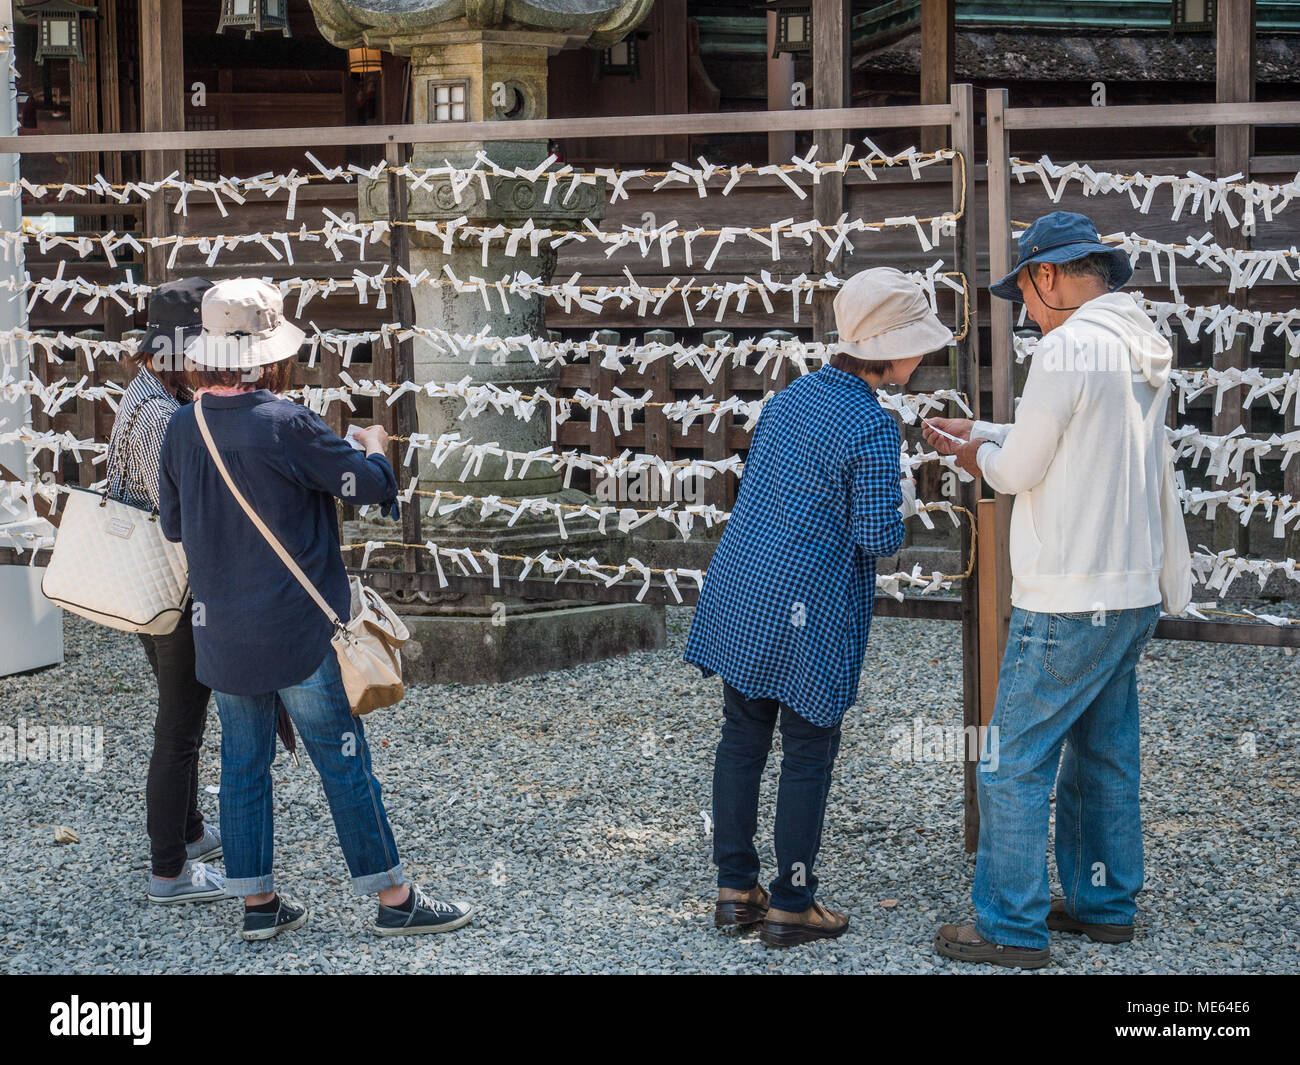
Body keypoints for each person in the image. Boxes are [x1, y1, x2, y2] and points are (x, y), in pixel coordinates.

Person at [158, 277, 474, 941]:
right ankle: (394, 897)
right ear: (269, 354)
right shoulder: (285, 421)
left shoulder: (183, 426)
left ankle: (258, 903)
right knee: (343, 760)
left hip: (223, 632)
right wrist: (372, 443)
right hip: (296, 631)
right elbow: (369, 487)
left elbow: (177, 526)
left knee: (241, 768)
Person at [925, 211, 1185, 969]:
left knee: (1011, 761)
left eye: (1026, 296)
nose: (1028, 315)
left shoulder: (1067, 347)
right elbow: (1070, 443)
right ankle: (1104, 904)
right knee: (1103, 752)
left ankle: (1009, 925)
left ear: (1047, 274)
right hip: (1132, 585)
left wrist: (980, 453)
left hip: (1069, 591)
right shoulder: (1136, 341)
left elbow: (1018, 472)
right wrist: (987, 433)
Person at [685, 267, 951, 947]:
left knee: (741, 738)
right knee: (808, 748)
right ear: (890, 349)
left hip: (743, 584)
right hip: (811, 600)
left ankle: (733, 887)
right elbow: (877, 537)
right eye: (919, 342)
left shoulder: (790, 397)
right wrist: (908, 500)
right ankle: (792, 901)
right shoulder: (871, 424)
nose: (923, 356)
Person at [104, 276, 226, 906]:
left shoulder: (145, 395)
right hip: (169, 590)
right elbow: (170, 515)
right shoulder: (158, 413)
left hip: (152, 585)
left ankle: (192, 832)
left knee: (184, 718)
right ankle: (168, 870)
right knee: (179, 728)